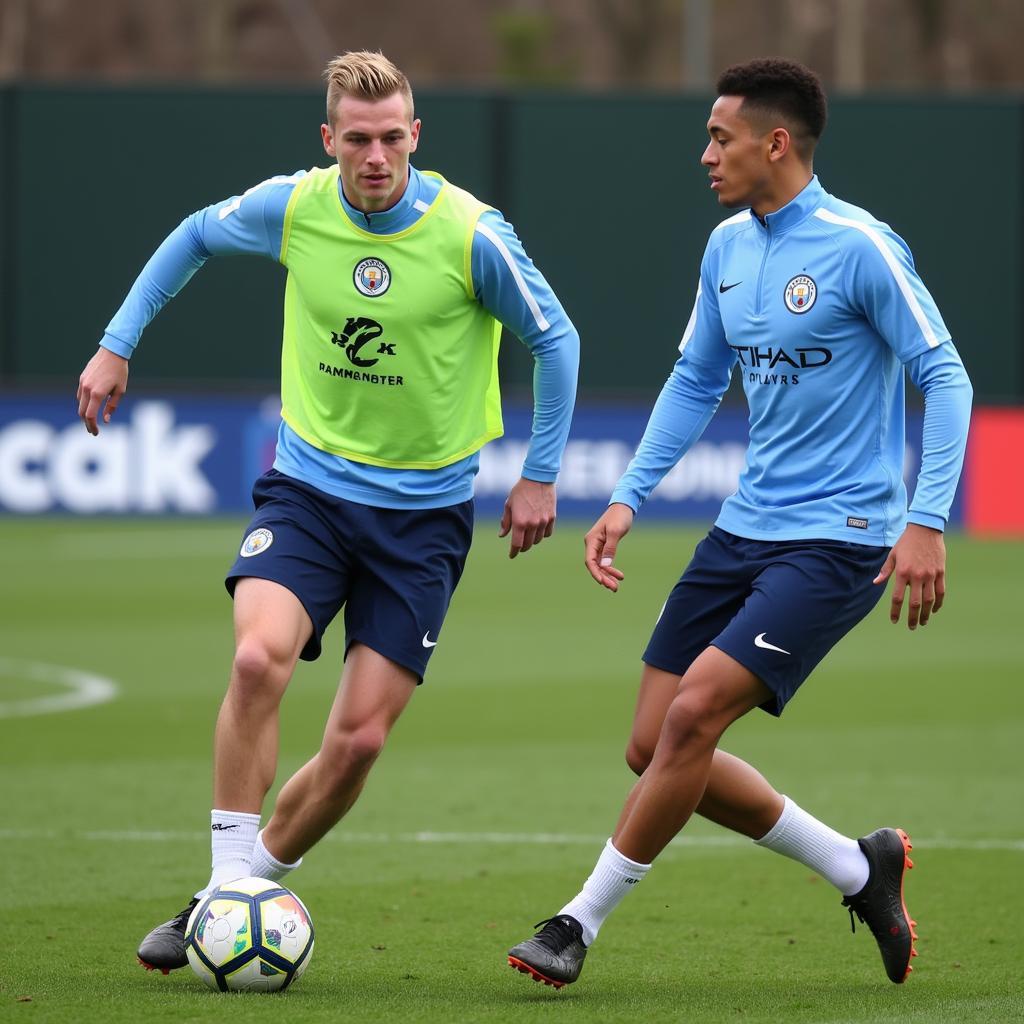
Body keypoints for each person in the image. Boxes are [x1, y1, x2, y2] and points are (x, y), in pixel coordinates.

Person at [76, 50, 579, 974]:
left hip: (422, 523)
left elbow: (556, 339)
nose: (376, 154)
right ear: (329, 140)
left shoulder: (470, 232)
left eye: (393, 137)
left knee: (356, 744)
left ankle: (229, 894)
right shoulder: (296, 205)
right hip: (308, 494)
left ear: (416, 136)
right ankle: (231, 885)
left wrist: (540, 474)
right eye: (358, 139)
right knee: (258, 656)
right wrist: (117, 344)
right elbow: (191, 234)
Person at [507, 57, 972, 989]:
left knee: (689, 722)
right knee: (652, 744)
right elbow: (695, 379)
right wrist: (629, 496)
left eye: (721, 137)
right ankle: (857, 864)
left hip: (839, 537)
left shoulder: (860, 245)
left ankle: (576, 924)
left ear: (776, 143)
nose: (706, 154)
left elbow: (945, 376)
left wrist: (925, 521)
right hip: (744, 525)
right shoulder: (728, 246)